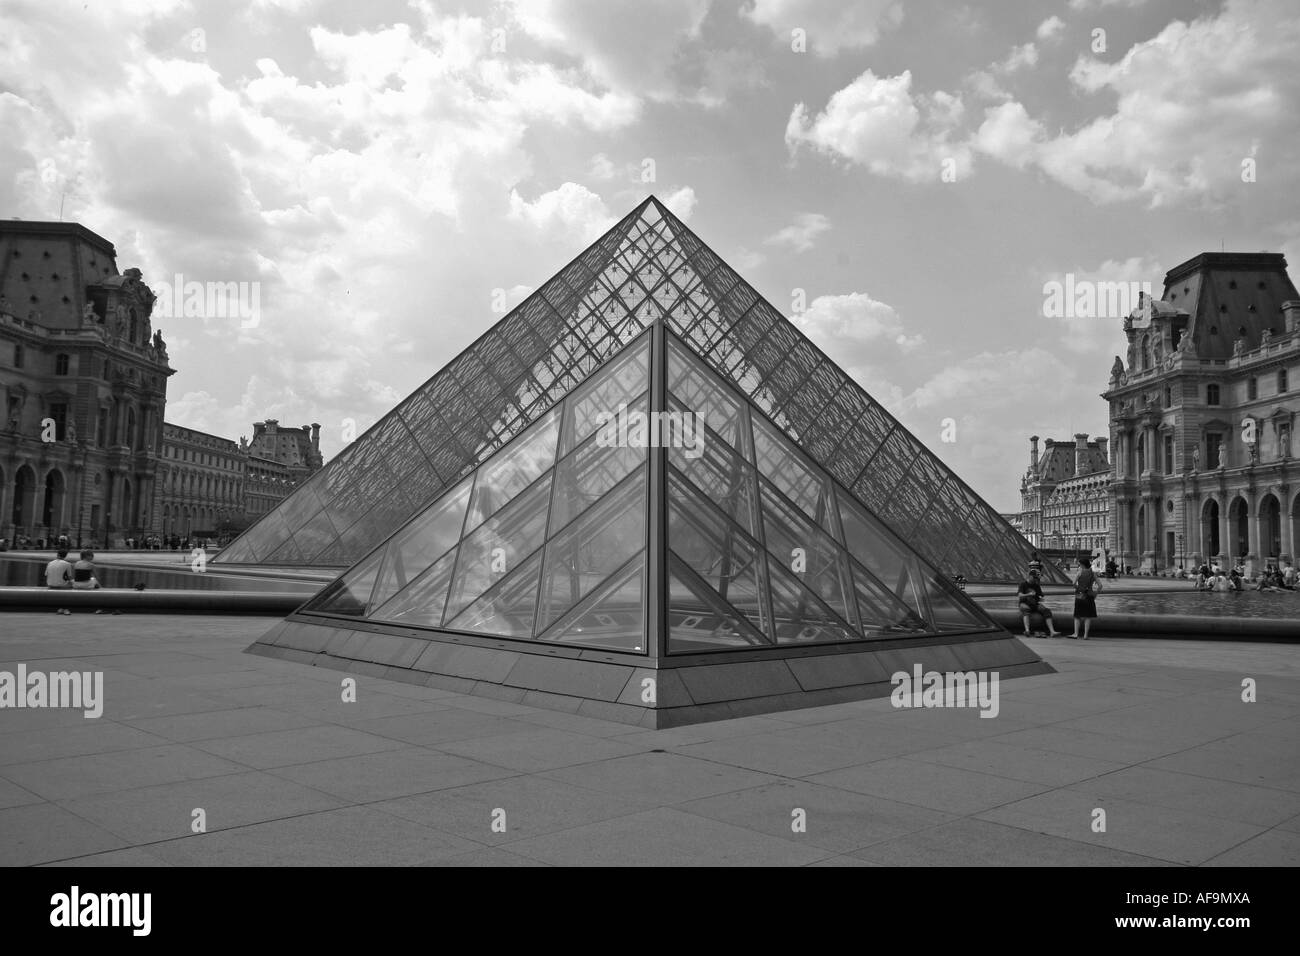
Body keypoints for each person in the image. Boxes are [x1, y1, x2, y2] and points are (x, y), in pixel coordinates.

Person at [1017, 568, 1058, 637]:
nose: (1036, 579)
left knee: (1047, 611)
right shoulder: (1023, 584)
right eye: (1034, 577)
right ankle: (1027, 630)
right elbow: (1020, 595)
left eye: (1037, 578)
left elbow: (1040, 596)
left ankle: (1052, 631)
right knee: (1026, 609)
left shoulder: (1036, 585)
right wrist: (1029, 594)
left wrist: (1041, 599)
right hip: (1024, 603)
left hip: (1034, 604)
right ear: (1030, 576)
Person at [1070, 557, 1100, 639]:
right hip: (1090, 595)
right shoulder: (1093, 573)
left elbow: (1073, 583)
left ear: (1083, 565)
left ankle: (1076, 634)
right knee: (1088, 616)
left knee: (1077, 616)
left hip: (1080, 596)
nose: (1079, 566)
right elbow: (1100, 586)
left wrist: (1078, 588)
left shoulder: (1079, 572)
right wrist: (1095, 594)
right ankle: (1085, 635)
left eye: (1079, 564)